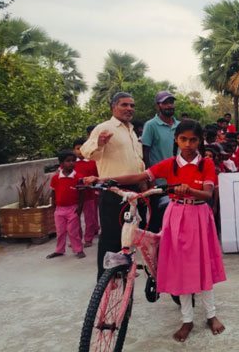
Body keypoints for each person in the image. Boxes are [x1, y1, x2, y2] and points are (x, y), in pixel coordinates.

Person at [83, 120, 226, 340]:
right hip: (176, 217)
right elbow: (139, 176)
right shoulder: (170, 164)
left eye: (193, 140)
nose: (188, 144)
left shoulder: (205, 164)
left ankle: (211, 314)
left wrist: (189, 190)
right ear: (176, 139)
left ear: (200, 141)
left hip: (199, 217)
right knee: (180, 268)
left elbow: (207, 194)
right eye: (183, 139)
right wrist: (104, 179)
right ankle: (187, 319)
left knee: (202, 266)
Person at [80, 92, 146, 280]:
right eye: (124, 105)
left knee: (129, 235)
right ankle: (104, 279)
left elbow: (137, 160)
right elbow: (86, 151)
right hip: (114, 190)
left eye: (132, 105)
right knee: (111, 235)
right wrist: (99, 143)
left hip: (134, 190)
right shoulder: (104, 128)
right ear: (113, 107)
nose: (129, 109)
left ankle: (122, 270)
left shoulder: (131, 131)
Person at [142, 91, 180, 232]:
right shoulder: (151, 125)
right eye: (165, 103)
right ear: (158, 106)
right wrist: (150, 178)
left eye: (171, 102)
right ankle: (155, 246)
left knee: (177, 218)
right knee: (157, 220)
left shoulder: (180, 125)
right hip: (159, 182)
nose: (169, 105)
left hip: (179, 180)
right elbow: (145, 152)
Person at [46, 150, 85, 259]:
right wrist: (54, 207)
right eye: (68, 161)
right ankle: (59, 250)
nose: (71, 163)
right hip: (59, 209)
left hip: (73, 208)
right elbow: (53, 193)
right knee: (60, 231)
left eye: (73, 160)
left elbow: (82, 194)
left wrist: (79, 208)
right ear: (61, 163)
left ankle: (78, 249)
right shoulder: (55, 178)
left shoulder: (78, 177)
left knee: (73, 231)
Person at [73, 137, 99, 247]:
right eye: (78, 148)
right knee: (75, 218)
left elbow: (97, 177)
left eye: (83, 148)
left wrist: (96, 189)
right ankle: (77, 238)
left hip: (89, 195)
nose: (80, 151)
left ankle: (88, 238)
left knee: (90, 218)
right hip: (75, 196)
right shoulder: (71, 163)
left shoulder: (93, 163)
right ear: (74, 150)